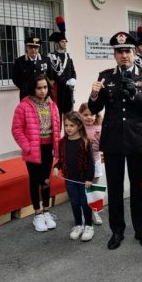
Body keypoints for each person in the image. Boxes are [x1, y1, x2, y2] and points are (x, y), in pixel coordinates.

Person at [88, 32, 142, 250]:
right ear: (115, 55)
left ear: (134, 52)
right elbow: (94, 109)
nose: (124, 56)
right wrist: (93, 94)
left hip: (136, 139)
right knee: (116, 189)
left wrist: (135, 95)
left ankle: (141, 230)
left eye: (127, 51)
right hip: (114, 141)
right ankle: (117, 231)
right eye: (119, 52)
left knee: (138, 188)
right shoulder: (105, 76)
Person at [11, 75, 61, 232]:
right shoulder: (24, 106)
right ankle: (37, 214)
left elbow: (57, 128)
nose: (42, 91)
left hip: (47, 149)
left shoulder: (52, 105)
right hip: (33, 149)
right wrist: (27, 147)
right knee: (34, 180)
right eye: (39, 88)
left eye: (45, 87)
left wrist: (57, 146)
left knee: (46, 180)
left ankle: (46, 211)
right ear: (33, 88)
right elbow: (16, 130)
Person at [53, 111, 95, 242]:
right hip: (69, 179)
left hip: (83, 180)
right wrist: (56, 167)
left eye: (72, 125)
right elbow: (61, 160)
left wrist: (89, 178)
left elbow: (91, 163)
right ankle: (78, 225)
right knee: (75, 203)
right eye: (66, 125)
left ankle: (88, 226)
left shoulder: (85, 142)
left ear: (79, 126)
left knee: (85, 202)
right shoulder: (62, 143)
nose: (68, 128)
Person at [77, 102, 105, 225]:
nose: (89, 117)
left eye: (92, 114)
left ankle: (95, 211)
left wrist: (104, 153)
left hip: (96, 160)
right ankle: (84, 212)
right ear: (80, 115)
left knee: (94, 186)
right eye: (86, 114)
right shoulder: (79, 129)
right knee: (84, 186)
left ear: (96, 115)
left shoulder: (99, 127)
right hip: (83, 162)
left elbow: (103, 144)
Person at [47, 24, 76, 119]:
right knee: (57, 115)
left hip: (69, 90)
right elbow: (52, 74)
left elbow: (72, 70)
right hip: (58, 89)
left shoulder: (68, 56)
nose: (65, 44)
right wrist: (65, 82)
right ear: (57, 43)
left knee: (69, 115)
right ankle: (58, 134)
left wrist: (73, 79)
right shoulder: (51, 56)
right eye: (62, 42)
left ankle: (68, 134)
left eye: (65, 42)